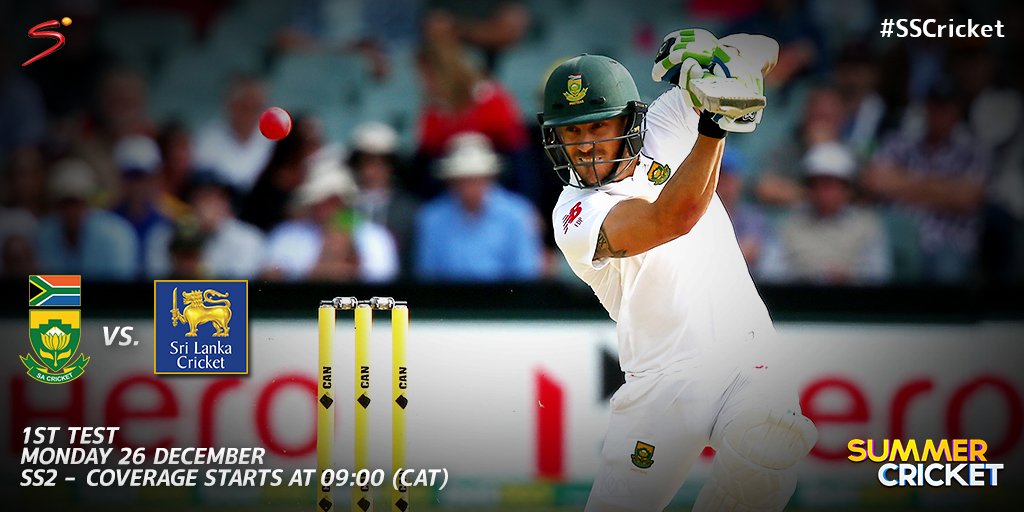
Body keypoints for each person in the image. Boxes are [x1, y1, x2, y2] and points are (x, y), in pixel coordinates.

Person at [540, 30, 816, 511]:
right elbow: (672, 218)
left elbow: (766, 49)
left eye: (597, 127)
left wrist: (723, 61)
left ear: (630, 119)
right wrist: (715, 126)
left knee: (771, 442)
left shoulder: (666, 120)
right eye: (572, 132)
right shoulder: (574, 214)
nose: (585, 145)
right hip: (661, 381)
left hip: (745, 353)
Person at [414, 132, 542, 282]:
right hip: (448, 297)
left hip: (505, 296)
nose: (469, 188)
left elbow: (525, 274)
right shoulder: (431, 219)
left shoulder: (517, 214)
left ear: (489, 178)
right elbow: (427, 278)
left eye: (475, 180)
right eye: (462, 180)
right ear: (451, 181)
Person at [759, 142, 892, 285]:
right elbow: (771, 272)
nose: (824, 192)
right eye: (817, 184)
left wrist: (849, 277)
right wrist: (808, 278)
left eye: (832, 185)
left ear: (847, 189)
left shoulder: (867, 225)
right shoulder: (788, 225)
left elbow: (879, 273)